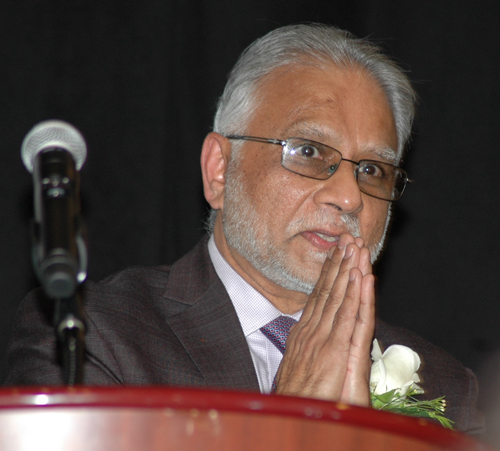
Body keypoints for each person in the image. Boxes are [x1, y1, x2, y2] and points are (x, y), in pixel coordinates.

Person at [4, 24, 485, 433]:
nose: (349, 197)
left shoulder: (448, 390)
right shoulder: (93, 337)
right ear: (219, 170)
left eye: (372, 170)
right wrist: (292, 427)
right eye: (310, 152)